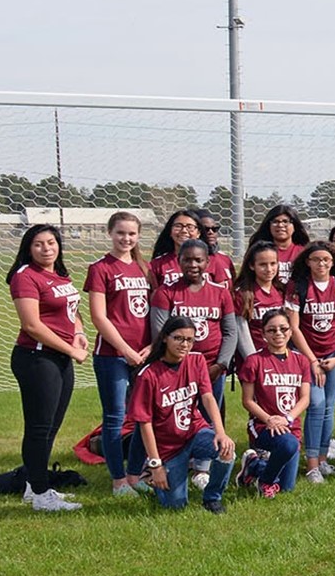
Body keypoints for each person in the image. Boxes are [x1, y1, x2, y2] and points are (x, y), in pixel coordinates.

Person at [9, 223, 89, 511]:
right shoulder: (25, 276)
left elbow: (72, 310)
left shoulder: (59, 275)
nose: (46, 249)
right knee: (39, 428)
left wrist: (78, 332)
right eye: (39, 244)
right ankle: (42, 495)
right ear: (28, 248)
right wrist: (70, 349)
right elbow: (31, 325)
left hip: (60, 358)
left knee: (51, 426)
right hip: (36, 358)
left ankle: (34, 485)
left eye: (51, 243)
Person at [128, 316, 236, 513]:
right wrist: (156, 464)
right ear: (164, 339)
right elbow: (144, 423)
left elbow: (208, 398)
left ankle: (212, 498)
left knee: (226, 450)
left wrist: (220, 432)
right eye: (178, 338)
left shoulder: (197, 360)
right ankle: (151, 476)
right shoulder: (148, 375)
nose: (184, 344)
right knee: (176, 506)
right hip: (168, 448)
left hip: (194, 433)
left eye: (189, 340)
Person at [85, 212, 151, 497]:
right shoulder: (100, 268)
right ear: (110, 233)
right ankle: (118, 481)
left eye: (132, 234)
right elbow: (99, 317)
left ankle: (135, 475)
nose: (126, 239)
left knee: (142, 418)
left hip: (144, 355)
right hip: (113, 356)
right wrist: (125, 349)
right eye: (120, 233)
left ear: (138, 236)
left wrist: (151, 348)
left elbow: (154, 314)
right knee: (115, 416)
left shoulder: (144, 269)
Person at [290, 242, 335, 484]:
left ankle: (323, 459)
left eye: (326, 260)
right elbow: (294, 327)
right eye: (316, 259)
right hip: (308, 355)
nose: (321, 264)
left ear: (333, 262)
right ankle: (311, 465)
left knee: (328, 406)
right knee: (315, 404)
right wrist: (312, 360)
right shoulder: (298, 288)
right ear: (307, 261)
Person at [149, 239, 238, 417]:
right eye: (187, 260)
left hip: (213, 368)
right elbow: (160, 333)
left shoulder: (221, 293)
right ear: (178, 261)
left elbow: (230, 331)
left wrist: (221, 364)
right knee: (178, 417)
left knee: (209, 418)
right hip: (178, 367)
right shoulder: (165, 293)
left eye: (198, 260)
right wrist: (182, 364)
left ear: (208, 262)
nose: (193, 265)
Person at [236, 311, 310, 497]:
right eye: (272, 330)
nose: (278, 333)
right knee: (287, 445)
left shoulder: (301, 360)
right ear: (263, 334)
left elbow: (305, 398)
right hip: (263, 425)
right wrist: (269, 420)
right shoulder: (254, 361)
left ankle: (254, 465)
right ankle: (265, 481)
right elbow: (247, 400)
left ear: (291, 332)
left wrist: (287, 419)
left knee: (286, 488)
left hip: (289, 425)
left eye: (283, 329)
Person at [232, 241, 293, 363]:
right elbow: (241, 330)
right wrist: (254, 360)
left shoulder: (281, 290)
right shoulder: (244, 293)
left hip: (280, 355)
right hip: (254, 357)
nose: (269, 269)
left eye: (273, 263)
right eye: (263, 265)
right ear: (251, 265)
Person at [148, 209, 227, 289]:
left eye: (190, 227)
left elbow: (221, 294)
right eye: (178, 226)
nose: (184, 231)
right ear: (170, 231)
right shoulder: (157, 264)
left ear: (198, 232)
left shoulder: (214, 261)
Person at [249, 204, 310, 287]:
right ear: (269, 226)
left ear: (294, 226)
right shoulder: (259, 252)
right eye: (275, 222)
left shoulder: (304, 252)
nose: (280, 225)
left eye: (285, 221)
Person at [193, 210, 237, 286]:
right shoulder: (189, 261)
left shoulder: (225, 258)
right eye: (206, 229)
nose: (211, 232)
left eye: (215, 229)